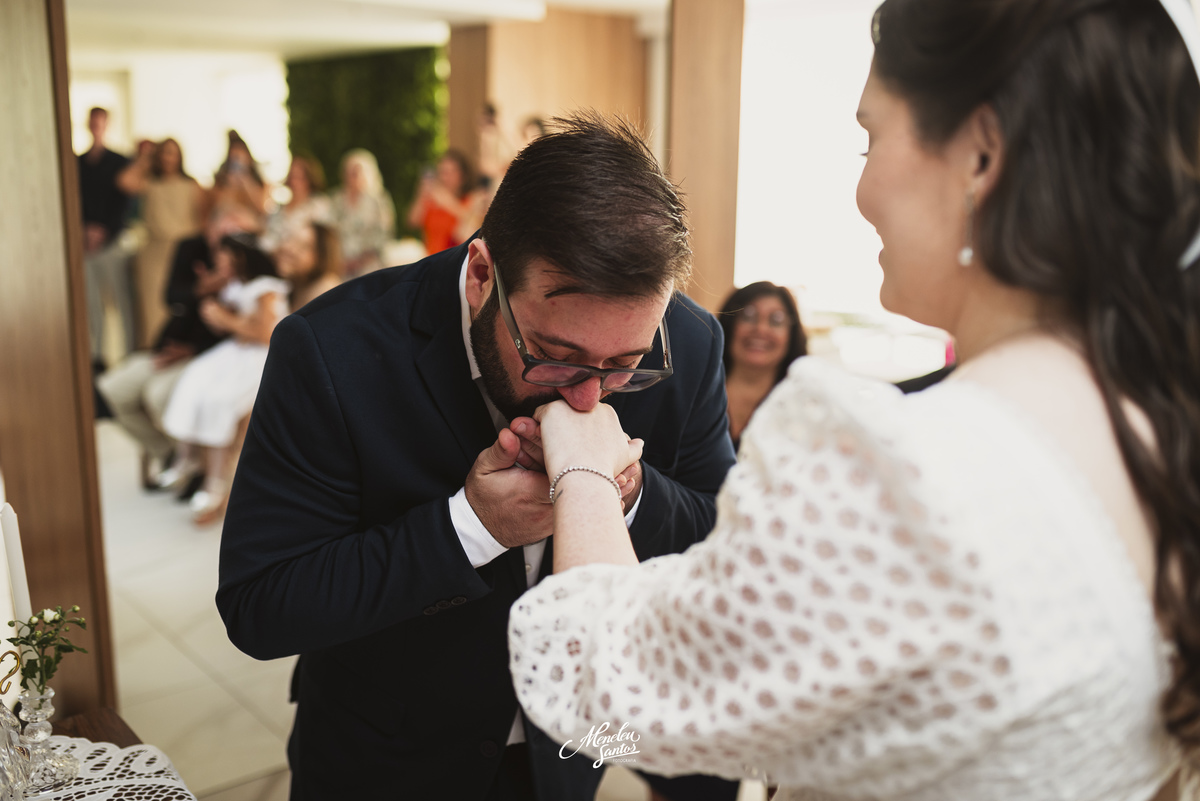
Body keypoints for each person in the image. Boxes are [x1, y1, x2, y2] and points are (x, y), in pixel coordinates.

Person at [508, 0, 1200, 798]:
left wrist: (587, 473)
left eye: (871, 137)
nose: (864, 187)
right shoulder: (1155, 426)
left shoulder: (906, 476)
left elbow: (600, 705)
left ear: (981, 153)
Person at [216, 113, 738, 801]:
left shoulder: (691, 344)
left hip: (566, 760)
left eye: (624, 366)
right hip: (385, 760)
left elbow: (725, 542)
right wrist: (469, 528)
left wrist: (631, 491)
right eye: (556, 357)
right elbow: (261, 603)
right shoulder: (330, 350)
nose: (587, 397)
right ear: (482, 273)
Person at [96, 210, 253, 489]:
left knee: (156, 395)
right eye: (222, 231)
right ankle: (170, 455)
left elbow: (237, 333)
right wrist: (200, 289)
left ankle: (193, 466)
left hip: (202, 355)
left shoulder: (246, 269)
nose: (225, 241)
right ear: (210, 227)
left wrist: (191, 350)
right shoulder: (190, 249)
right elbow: (171, 297)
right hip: (166, 347)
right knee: (111, 390)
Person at [161, 237, 287, 525]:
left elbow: (269, 332)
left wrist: (226, 320)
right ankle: (186, 457)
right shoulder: (235, 284)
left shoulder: (266, 288)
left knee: (220, 400)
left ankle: (214, 486)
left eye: (225, 256)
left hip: (259, 356)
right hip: (235, 351)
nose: (219, 260)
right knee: (194, 381)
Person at [118, 138, 205, 348]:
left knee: (181, 307)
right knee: (152, 311)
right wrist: (145, 159)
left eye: (172, 152)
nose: (168, 158)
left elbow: (203, 218)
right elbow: (124, 181)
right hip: (154, 256)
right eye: (164, 152)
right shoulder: (150, 183)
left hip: (182, 254)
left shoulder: (191, 185)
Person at [718, 282, 807, 448]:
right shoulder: (697, 392)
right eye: (748, 317)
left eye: (776, 321)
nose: (761, 329)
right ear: (729, 324)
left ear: (791, 334)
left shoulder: (804, 407)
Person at [79, 106, 135, 365]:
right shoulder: (79, 163)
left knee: (120, 300)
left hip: (111, 241)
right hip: (85, 244)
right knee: (92, 303)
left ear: (107, 125)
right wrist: (85, 230)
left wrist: (104, 230)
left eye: (101, 123)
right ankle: (98, 357)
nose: (97, 127)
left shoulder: (119, 161)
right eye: (93, 122)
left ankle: (128, 354)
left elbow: (123, 205)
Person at [406, 149, 485, 255]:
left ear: (463, 176)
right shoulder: (433, 202)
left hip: (453, 262)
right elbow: (412, 222)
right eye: (441, 172)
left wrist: (447, 202)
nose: (444, 177)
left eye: (450, 172)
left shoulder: (470, 200)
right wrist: (420, 195)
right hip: (430, 260)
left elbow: (474, 225)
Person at [329, 149, 394, 277]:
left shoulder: (379, 201)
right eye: (350, 172)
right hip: (338, 264)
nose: (353, 176)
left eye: (357, 171)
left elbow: (383, 235)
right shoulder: (335, 199)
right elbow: (329, 232)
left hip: (369, 265)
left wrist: (360, 261)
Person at [260, 156, 332, 254]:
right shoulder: (278, 209)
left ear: (310, 179)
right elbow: (268, 237)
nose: (294, 182)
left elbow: (322, 243)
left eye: (300, 177)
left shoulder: (319, 206)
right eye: (292, 176)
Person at [205, 131, 268, 229]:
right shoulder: (221, 183)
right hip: (224, 229)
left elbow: (262, 209)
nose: (237, 164)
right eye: (234, 160)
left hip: (248, 230)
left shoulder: (260, 183)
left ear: (249, 159)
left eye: (240, 159)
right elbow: (216, 209)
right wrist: (230, 187)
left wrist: (247, 182)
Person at [276, 222, 342, 310]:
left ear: (322, 258)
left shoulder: (326, 289)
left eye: (303, 247)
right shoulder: (290, 288)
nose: (289, 248)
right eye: (290, 239)